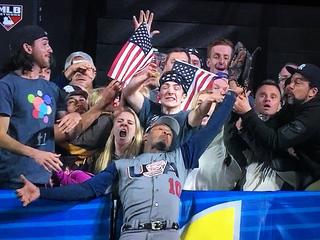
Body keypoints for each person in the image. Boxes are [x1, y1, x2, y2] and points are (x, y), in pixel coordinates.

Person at [16, 90, 235, 240]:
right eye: (161, 128)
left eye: (170, 132)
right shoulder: (121, 166)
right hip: (132, 234)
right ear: (146, 135)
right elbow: (87, 189)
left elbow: (212, 128)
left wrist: (231, 95)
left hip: (168, 234)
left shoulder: (182, 158)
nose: (166, 132)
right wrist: (41, 193)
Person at [0, 25, 68, 188]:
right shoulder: (6, 86)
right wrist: (35, 154)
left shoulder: (51, 89)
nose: (50, 49)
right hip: (13, 182)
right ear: (28, 48)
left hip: (44, 183)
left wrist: (77, 115)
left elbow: (65, 130)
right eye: (44, 44)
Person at [233, 63, 320, 190]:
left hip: (315, 175)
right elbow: (268, 129)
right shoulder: (293, 106)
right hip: (308, 170)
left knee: (306, 200)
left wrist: (247, 113)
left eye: (298, 82)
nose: (290, 85)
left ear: (313, 92)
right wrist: (243, 122)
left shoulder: (314, 115)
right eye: (291, 81)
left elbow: (276, 140)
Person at [123, 67, 224, 149]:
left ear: (183, 97)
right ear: (159, 95)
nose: (170, 92)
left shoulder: (187, 117)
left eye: (176, 88)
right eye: (165, 87)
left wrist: (208, 100)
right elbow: (128, 93)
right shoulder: (150, 109)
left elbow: (200, 112)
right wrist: (145, 76)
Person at [93, 107, 143, 173]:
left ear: (135, 132)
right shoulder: (98, 157)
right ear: (113, 129)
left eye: (130, 123)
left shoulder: (141, 158)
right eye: (120, 121)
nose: (124, 124)